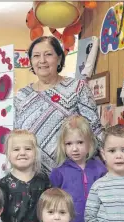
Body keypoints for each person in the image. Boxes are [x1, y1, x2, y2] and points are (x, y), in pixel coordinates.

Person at [14, 36, 104, 174]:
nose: (42, 60)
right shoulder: (22, 95)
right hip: (32, 175)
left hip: (71, 173)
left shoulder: (77, 87)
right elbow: (15, 136)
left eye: (48, 54)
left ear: (60, 58)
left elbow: (95, 130)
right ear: (31, 61)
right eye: (36, 56)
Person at [50, 115, 107, 222]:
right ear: (63, 145)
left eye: (80, 143)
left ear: (89, 143)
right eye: (69, 144)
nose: (75, 148)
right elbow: (51, 203)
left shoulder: (100, 169)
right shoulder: (59, 172)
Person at [0, 130, 51, 222]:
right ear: (8, 154)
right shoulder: (2, 185)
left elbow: (51, 208)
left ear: (35, 153)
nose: (22, 153)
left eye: (28, 149)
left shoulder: (44, 181)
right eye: (16, 149)